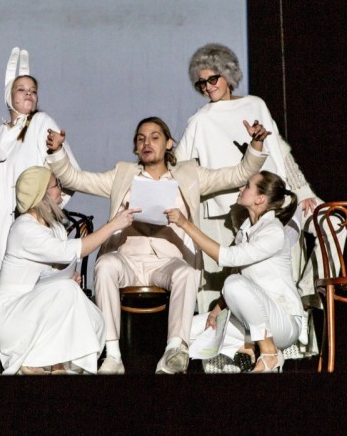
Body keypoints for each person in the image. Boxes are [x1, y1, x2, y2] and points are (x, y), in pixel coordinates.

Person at [46, 116, 270, 374]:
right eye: (141, 139)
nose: (147, 143)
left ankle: (174, 351)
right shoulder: (123, 174)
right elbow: (76, 179)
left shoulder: (189, 174)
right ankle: (113, 355)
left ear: (169, 143)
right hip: (128, 258)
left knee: (186, 272)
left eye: (154, 137)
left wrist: (256, 144)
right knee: (105, 264)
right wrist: (57, 151)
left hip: (167, 261)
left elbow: (237, 174)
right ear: (135, 146)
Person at [175, 43, 340, 356]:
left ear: (228, 75)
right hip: (233, 211)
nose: (207, 87)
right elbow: (180, 165)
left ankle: (308, 296)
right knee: (237, 282)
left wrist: (304, 193)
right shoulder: (200, 120)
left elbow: (280, 153)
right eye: (201, 83)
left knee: (330, 227)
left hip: (277, 200)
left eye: (212, 79)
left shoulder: (256, 105)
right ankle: (243, 352)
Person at [0, 166, 139, 375]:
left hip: (37, 307)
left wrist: (67, 276)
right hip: (9, 316)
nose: (61, 189)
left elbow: (56, 267)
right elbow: (71, 251)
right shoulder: (24, 228)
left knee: (94, 318)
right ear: (43, 194)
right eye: (56, 184)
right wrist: (113, 225)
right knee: (66, 291)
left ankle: (55, 365)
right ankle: (44, 361)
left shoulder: (56, 228)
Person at [0, 48, 78, 311]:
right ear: (9, 96)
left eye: (33, 90)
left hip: (27, 225)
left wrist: (56, 152)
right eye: (21, 89)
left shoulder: (41, 123)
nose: (28, 94)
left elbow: (69, 175)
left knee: (29, 296)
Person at [166, 170, 304, 373]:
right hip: (254, 322)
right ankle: (249, 347)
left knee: (233, 283)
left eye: (247, 186)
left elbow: (227, 258)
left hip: (284, 323)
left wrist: (185, 224)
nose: (241, 188)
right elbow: (240, 278)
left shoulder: (274, 232)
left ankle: (269, 353)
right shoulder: (246, 230)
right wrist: (216, 311)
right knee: (183, 332)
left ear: (260, 199)